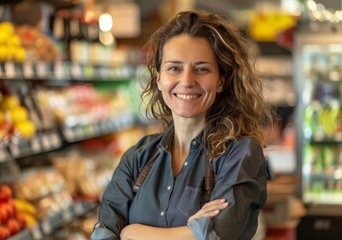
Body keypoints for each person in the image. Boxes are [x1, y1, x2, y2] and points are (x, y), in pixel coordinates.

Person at [91, 9, 273, 240]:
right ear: (158, 79)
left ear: (220, 81)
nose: (187, 81)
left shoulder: (240, 154)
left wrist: (130, 232)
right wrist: (194, 232)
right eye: (174, 68)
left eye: (201, 69)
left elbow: (221, 233)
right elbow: (103, 233)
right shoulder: (137, 157)